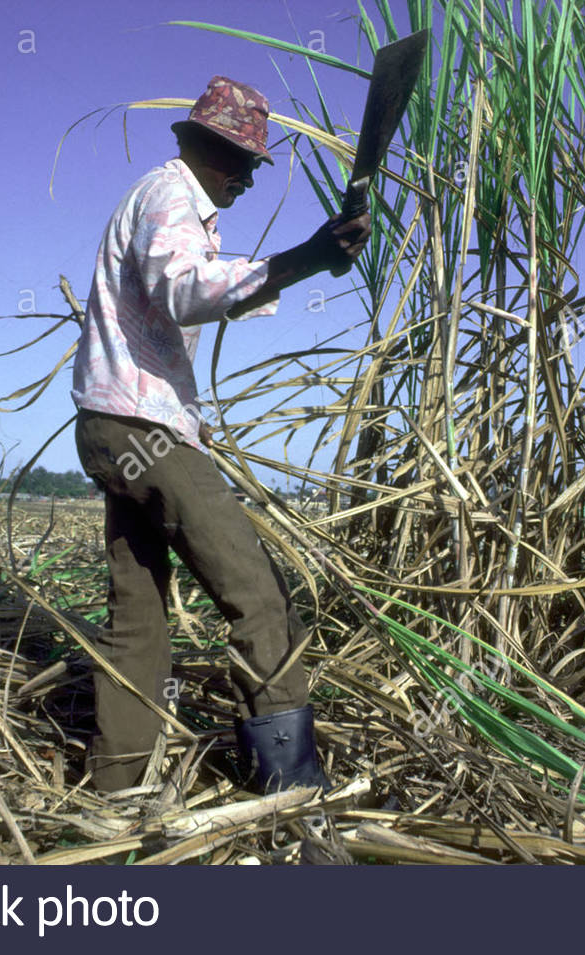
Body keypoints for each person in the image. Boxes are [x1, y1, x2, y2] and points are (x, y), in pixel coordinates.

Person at [70, 76, 370, 794]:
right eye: (244, 165)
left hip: (109, 426)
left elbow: (190, 290)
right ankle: (292, 789)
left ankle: (115, 789)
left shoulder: (163, 199)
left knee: (138, 615)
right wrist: (300, 260)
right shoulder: (172, 196)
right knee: (258, 592)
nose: (246, 182)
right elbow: (185, 289)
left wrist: (307, 259)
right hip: (143, 428)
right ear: (214, 152)